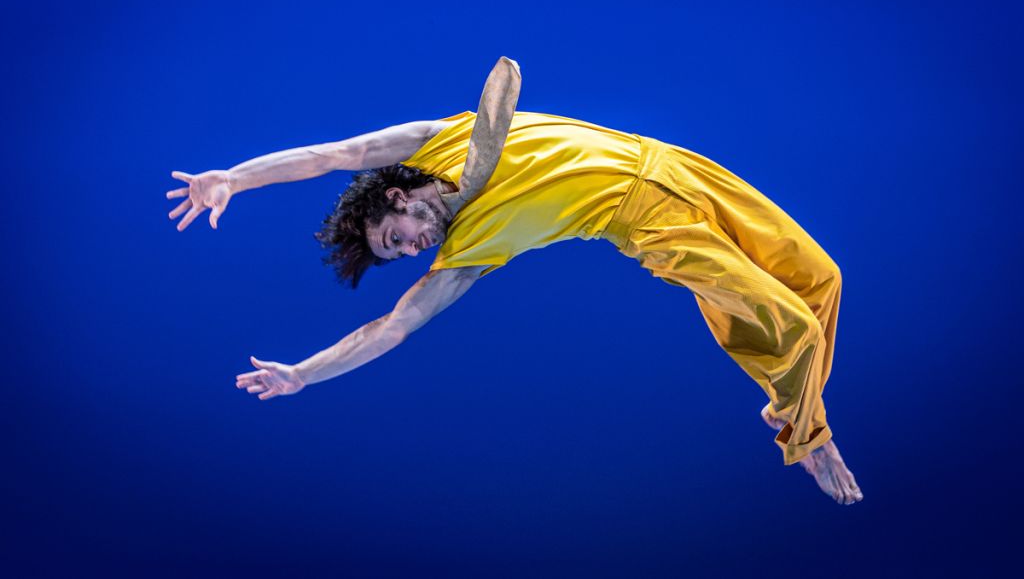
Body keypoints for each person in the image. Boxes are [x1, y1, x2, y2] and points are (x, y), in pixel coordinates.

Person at [166, 57, 863, 505]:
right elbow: (391, 328)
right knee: (792, 328)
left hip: (670, 163)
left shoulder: (433, 139)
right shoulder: (465, 254)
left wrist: (235, 177)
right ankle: (804, 433)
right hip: (650, 224)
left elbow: (331, 155)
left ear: (395, 197)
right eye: (398, 255)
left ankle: (795, 408)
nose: (409, 249)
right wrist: (302, 374)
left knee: (821, 280)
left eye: (394, 237)